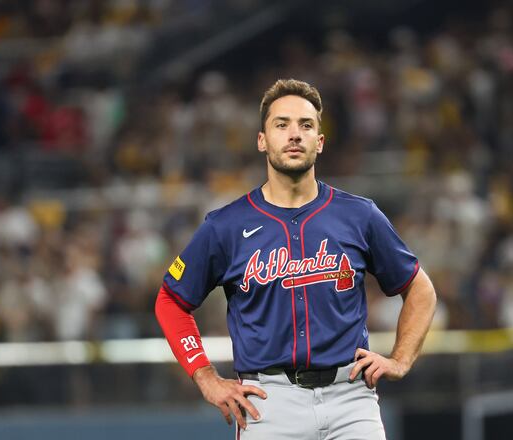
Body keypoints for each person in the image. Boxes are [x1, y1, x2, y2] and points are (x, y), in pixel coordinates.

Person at [155, 78, 437, 439]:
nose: (294, 134)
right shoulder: (225, 226)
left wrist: (401, 359)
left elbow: (420, 289)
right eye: (281, 124)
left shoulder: (359, 215)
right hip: (269, 402)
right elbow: (171, 301)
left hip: (350, 397)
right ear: (262, 140)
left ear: (319, 142)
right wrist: (205, 376)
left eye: (306, 125)